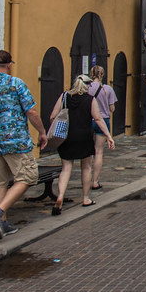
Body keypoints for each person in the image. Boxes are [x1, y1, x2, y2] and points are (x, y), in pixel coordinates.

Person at [0, 50, 48, 238]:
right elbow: (31, 112)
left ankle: (2, 224)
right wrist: (42, 132)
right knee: (28, 176)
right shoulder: (16, 84)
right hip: (15, 141)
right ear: (9, 65)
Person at [49, 74, 113, 215]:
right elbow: (98, 119)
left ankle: (60, 197)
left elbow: (52, 116)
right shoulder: (90, 100)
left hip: (67, 137)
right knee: (86, 167)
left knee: (66, 169)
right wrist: (108, 136)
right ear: (87, 86)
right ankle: (85, 198)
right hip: (84, 137)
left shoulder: (64, 96)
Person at [87, 65, 117, 191]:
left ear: (91, 74)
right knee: (99, 151)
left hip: (89, 120)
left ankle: (86, 179)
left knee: (88, 152)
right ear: (102, 75)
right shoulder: (108, 89)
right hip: (103, 121)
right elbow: (112, 108)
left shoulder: (87, 88)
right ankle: (95, 181)